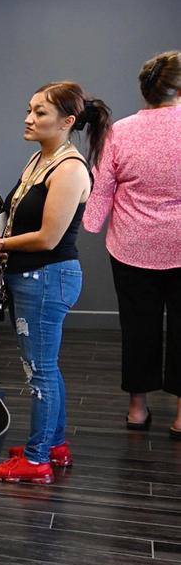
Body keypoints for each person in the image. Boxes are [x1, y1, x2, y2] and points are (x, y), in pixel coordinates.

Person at [0, 82, 110, 484]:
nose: (28, 118)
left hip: (48, 277)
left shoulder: (69, 168)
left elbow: (48, 237)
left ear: (67, 122)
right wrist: (0, 238)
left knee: (39, 372)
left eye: (39, 112)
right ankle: (53, 445)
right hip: (34, 276)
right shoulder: (40, 160)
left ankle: (36, 460)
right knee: (45, 369)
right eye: (29, 109)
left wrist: (0, 243)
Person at [83, 50, 181, 440]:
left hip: (131, 246)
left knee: (137, 327)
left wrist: (89, 224)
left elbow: (100, 188)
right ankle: (180, 417)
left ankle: (137, 410)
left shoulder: (118, 132)